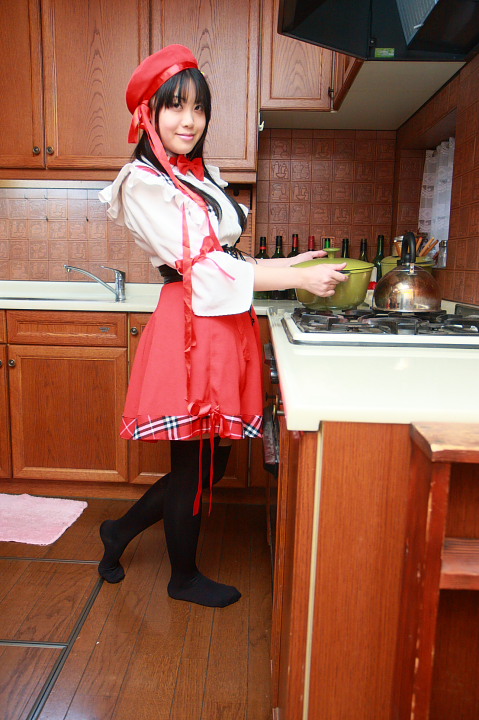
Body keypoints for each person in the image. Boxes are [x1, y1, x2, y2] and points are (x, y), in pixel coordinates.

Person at [98, 44, 347, 608]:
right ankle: (182, 577)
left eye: (199, 108)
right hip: (188, 327)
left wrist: (289, 265)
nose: (189, 120)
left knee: (216, 460)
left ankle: (118, 531)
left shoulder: (201, 174)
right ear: (148, 114)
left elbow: (225, 255)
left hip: (224, 325)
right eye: (175, 106)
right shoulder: (141, 182)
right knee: (194, 461)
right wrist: (292, 277)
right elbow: (202, 268)